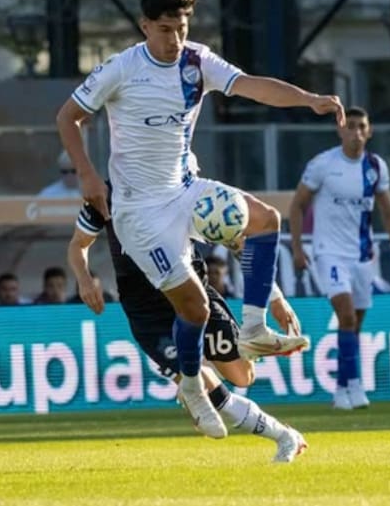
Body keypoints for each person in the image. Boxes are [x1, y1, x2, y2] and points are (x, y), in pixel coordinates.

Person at [56, 0, 342, 438]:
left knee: (266, 219)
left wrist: (308, 99)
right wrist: (88, 175)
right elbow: (66, 117)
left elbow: (251, 86)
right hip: (140, 214)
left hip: (185, 189)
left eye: (182, 27)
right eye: (166, 29)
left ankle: (253, 326)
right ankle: (191, 386)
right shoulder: (121, 69)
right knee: (194, 311)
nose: (175, 39)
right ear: (145, 26)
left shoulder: (196, 60)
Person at [68, 196, 307, 462]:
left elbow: (237, 241)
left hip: (194, 294)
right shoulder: (106, 195)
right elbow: (78, 244)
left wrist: (274, 297)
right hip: (148, 312)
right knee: (211, 392)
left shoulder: (178, 189)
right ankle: (284, 437)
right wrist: (84, 279)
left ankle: (193, 381)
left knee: (243, 377)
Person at [289, 107, 390, 410]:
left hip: (362, 255)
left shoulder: (375, 167)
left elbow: (388, 212)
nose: (356, 133)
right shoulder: (323, 165)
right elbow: (296, 206)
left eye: (362, 127)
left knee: (354, 324)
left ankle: (341, 389)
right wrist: (296, 247)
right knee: (344, 314)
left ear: (369, 132)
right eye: (351, 126)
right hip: (328, 253)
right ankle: (356, 387)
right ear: (341, 130)